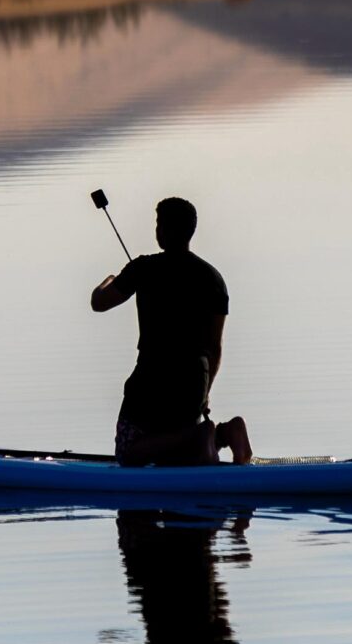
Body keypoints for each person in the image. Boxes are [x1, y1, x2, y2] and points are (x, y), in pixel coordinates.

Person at [91, 196, 253, 465]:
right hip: (193, 381)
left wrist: (109, 279)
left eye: (158, 224)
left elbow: (99, 302)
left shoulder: (143, 268)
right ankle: (225, 433)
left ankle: (202, 437)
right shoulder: (213, 278)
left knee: (128, 453)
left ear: (163, 230)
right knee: (176, 450)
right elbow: (214, 347)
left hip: (153, 379)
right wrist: (204, 392)